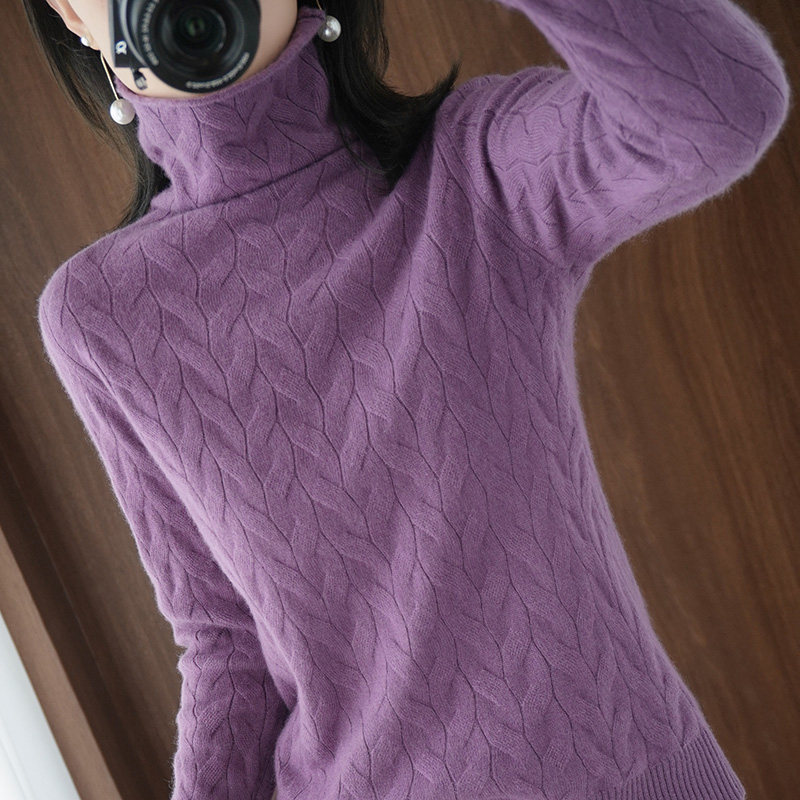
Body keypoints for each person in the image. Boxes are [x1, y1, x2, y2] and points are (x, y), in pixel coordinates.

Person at [30, 1, 790, 798]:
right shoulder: (99, 315)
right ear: (72, 13)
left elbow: (717, 115)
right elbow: (227, 644)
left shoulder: (475, 171)